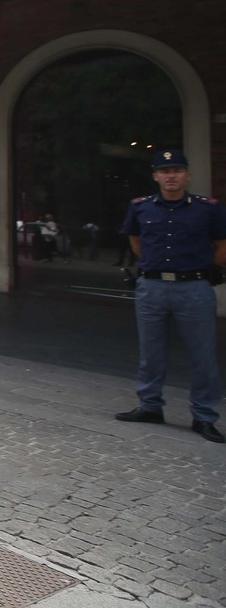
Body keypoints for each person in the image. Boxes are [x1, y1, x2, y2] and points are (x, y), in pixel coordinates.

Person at [115, 149, 226, 444]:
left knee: (203, 355)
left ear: (187, 175)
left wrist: (205, 267)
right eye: (165, 171)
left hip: (193, 287)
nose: (171, 176)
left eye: (177, 170)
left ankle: (204, 416)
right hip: (152, 287)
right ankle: (150, 406)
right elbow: (136, 242)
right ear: (156, 176)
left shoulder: (208, 208)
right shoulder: (141, 207)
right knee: (150, 352)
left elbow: (222, 244)